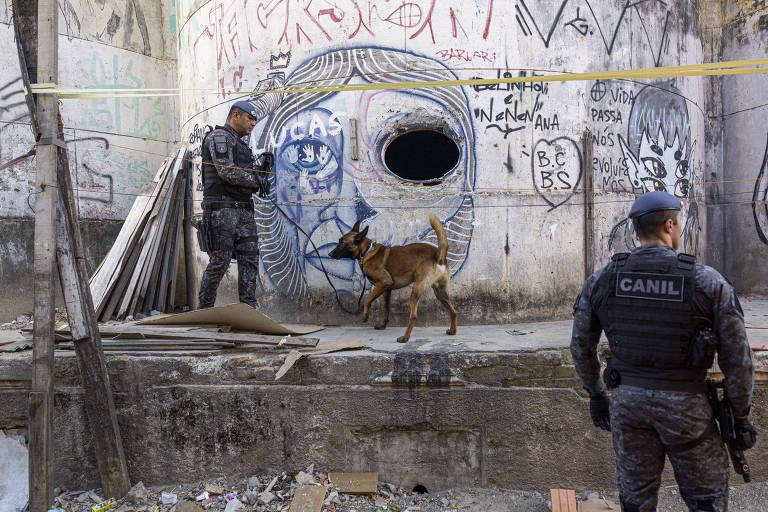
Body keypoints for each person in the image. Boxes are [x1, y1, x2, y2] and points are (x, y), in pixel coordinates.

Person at [570, 191, 756, 512]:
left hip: (628, 407)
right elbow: (738, 360)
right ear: (670, 225)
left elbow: (581, 347)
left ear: (636, 229)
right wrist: (740, 416)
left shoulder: (602, 280)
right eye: (679, 224)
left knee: (636, 501)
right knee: (707, 501)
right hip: (688, 411)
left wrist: (598, 396)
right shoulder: (706, 281)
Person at [198, 100, 272, 309]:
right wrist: (258, 180)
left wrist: (259, 174)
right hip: (222, 210)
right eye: (249, 118)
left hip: (244, 210)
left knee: (250, 260)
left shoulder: (241, 144)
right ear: (236, 115)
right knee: (219, 263)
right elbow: (227, 171)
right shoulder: (219, 137)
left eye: (255, 121)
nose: (252, 124)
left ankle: (247, 310)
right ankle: (204, 310)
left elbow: (241, 172)